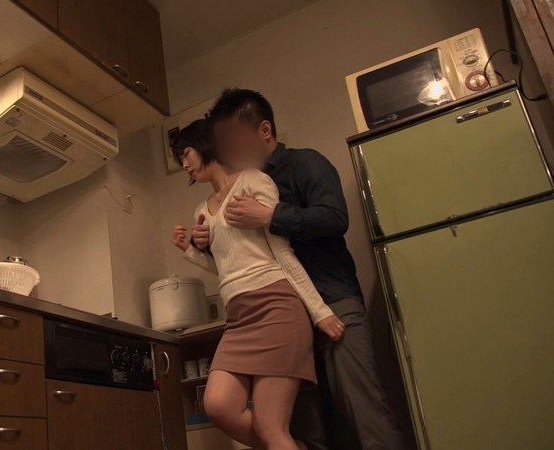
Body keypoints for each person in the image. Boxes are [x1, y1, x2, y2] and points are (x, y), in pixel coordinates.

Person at [192, 88, 406, 450]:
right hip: (286, 313)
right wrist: (202, 243)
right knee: (309, 429)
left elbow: (335, 217)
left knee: (363, 411)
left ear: (264, 130)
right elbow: (249, 257)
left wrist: (271, 215)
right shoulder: (244, 183)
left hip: (332, 300)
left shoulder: (305, 163)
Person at [169, 119, 346, 450]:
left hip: (276, 307)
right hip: (238, 318)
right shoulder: (201, 210)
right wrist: (189, 250)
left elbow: (281, 252)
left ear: (206, 142)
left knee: (269, 426)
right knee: (218, 405)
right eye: (179, 160)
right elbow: (227, 269)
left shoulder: (252, 180)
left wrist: (319, 311)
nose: (184, 165)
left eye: (185, 153)